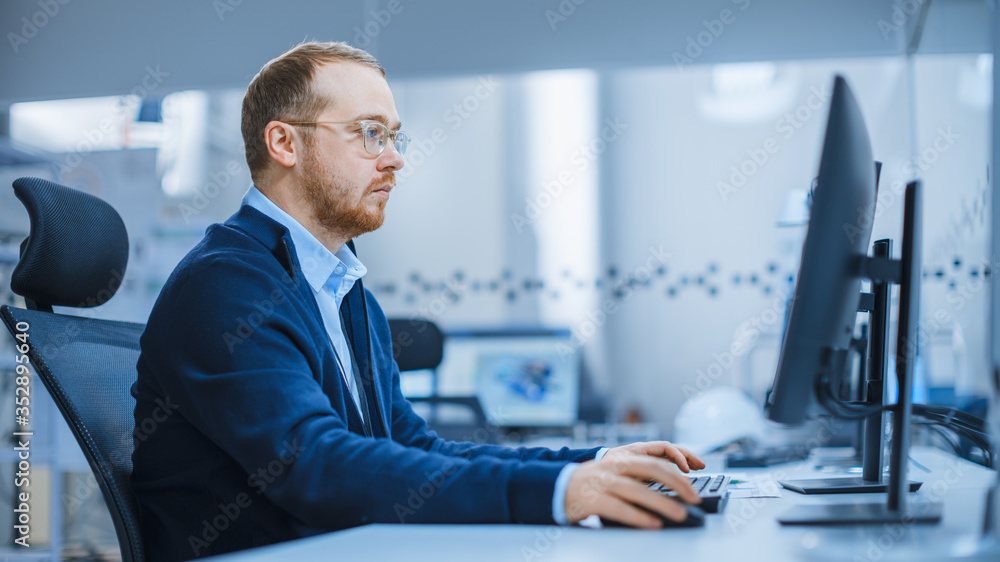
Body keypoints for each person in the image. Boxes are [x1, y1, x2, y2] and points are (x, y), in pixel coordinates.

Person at [131, 41, 705, 561]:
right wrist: (556, 494)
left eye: (393, 136)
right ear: (284, 143)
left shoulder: (342, 291)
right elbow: (315, 465)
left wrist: (588, 467)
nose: (394, 158)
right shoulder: (226, 285)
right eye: (369, 133)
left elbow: (411, 447)